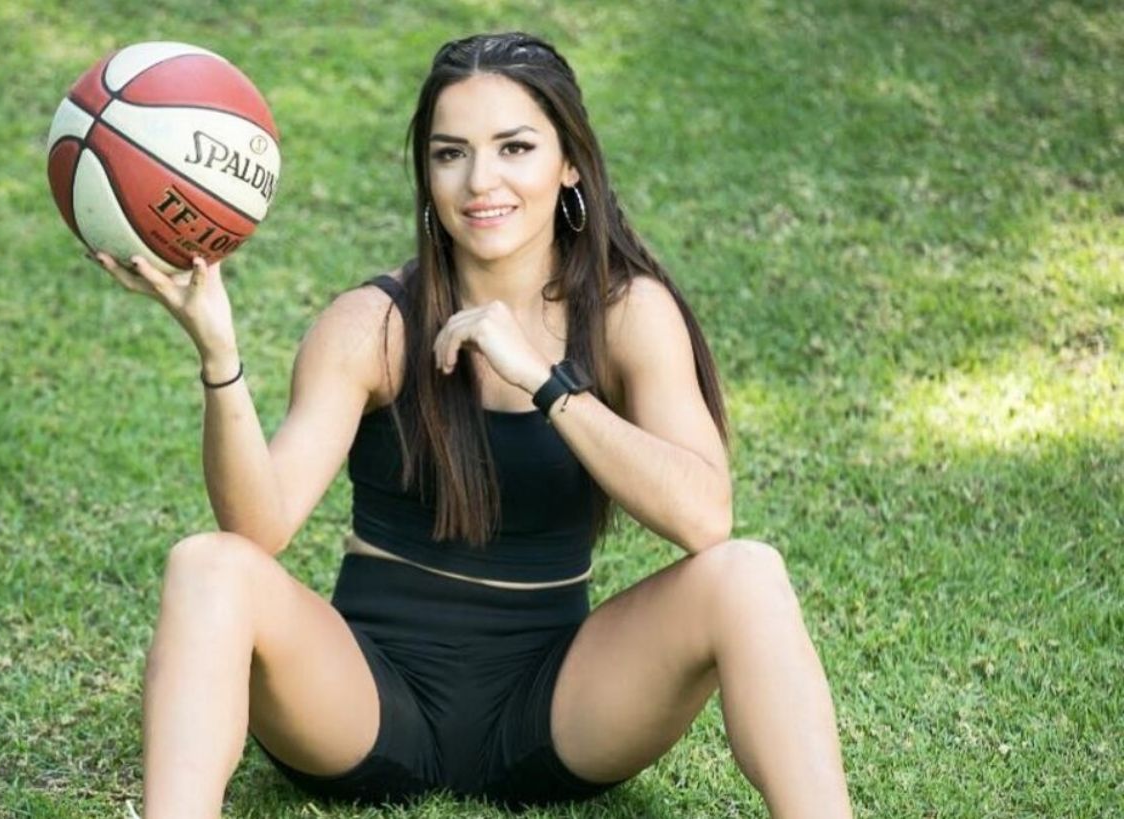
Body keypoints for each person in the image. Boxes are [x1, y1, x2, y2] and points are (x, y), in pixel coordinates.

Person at [95, 32, 853, 819]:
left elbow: (705, 517)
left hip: (557, 704)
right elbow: (259, 527)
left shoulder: (627, 315)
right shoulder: (373, 326)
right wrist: (219, 355)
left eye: (514, 147)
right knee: (208, 564)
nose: (480, 181)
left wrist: (546, 380)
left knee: (747, 573)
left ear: (570, 162)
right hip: (368, 697)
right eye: (451, 154)